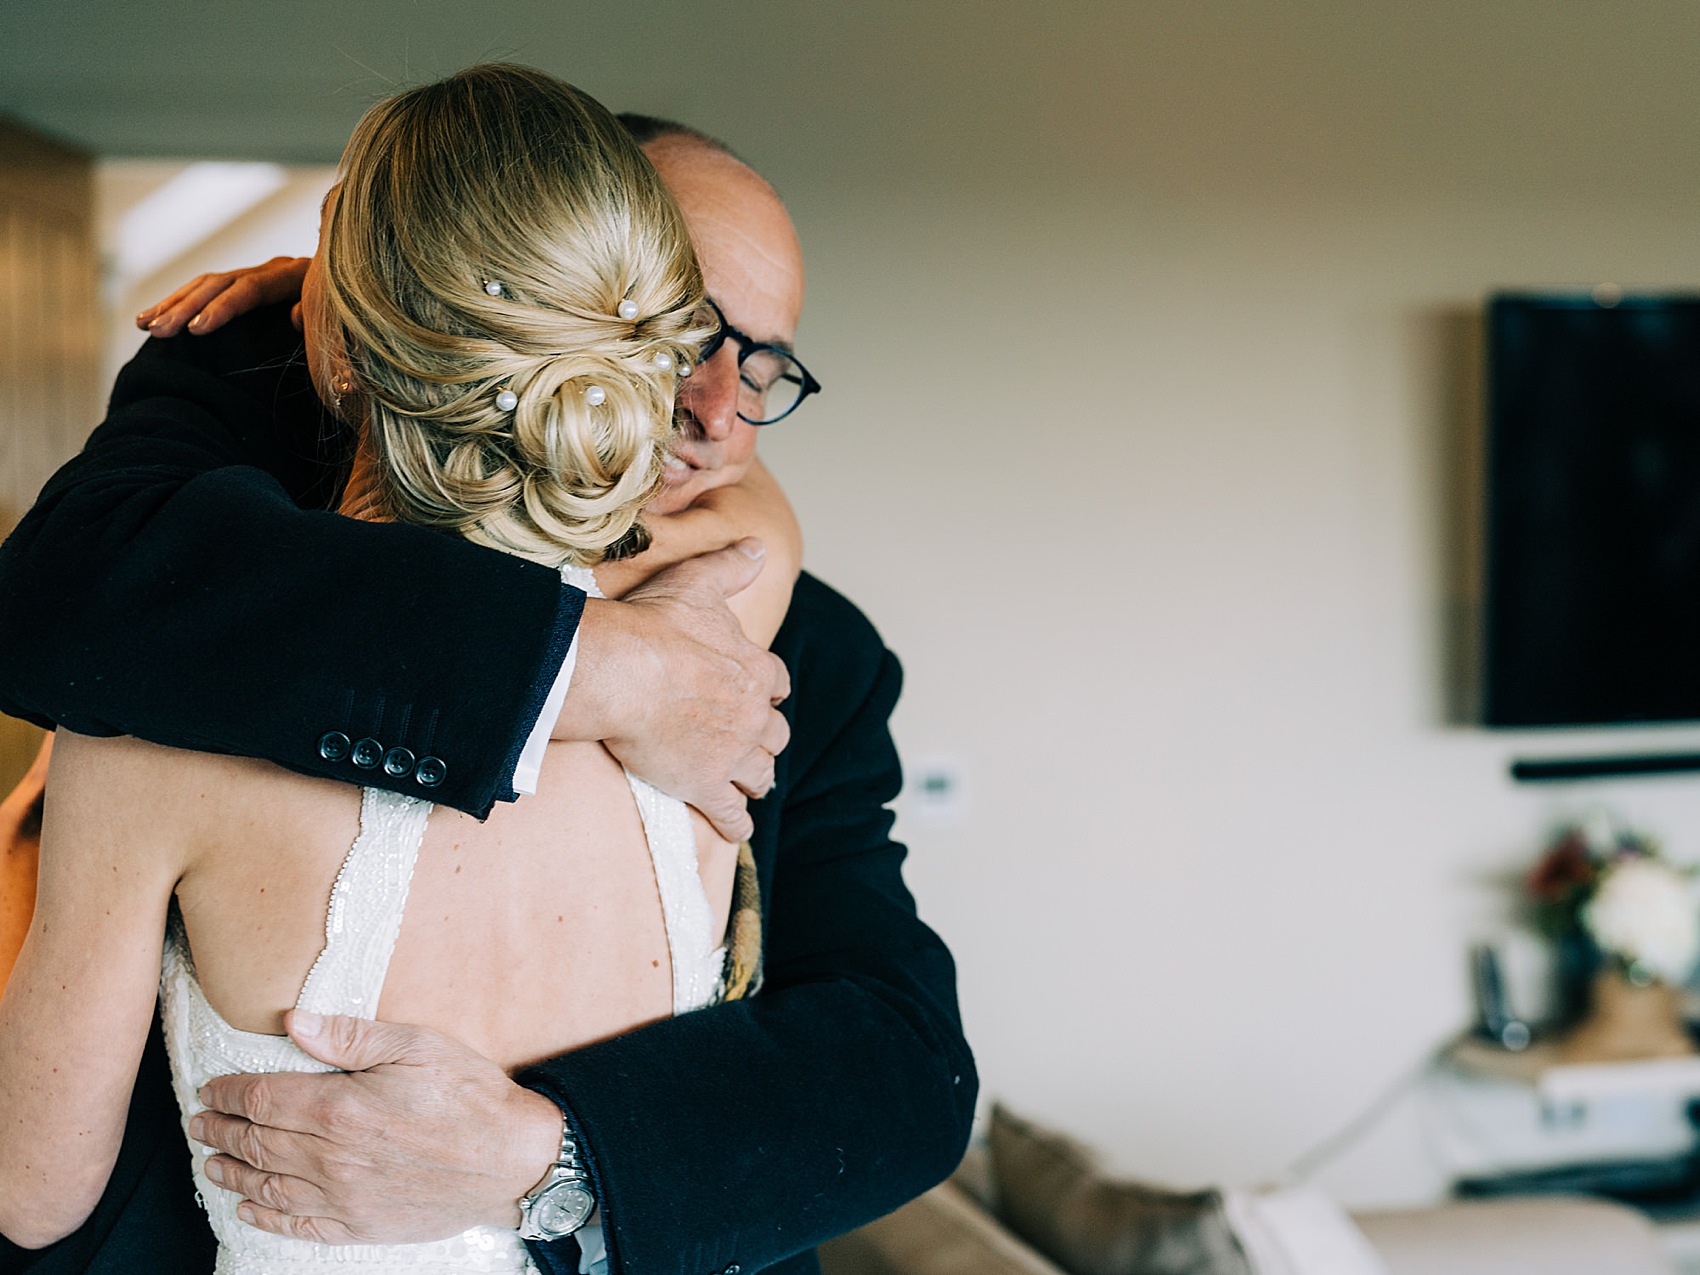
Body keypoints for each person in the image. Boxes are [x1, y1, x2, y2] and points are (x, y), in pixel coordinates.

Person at [0, 107, 975, 1275]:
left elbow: (907, 1069)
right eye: (684, 331)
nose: (718, 415)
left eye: (764, 367)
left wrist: (551, 1160)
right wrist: (597, 668)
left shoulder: (797, 660)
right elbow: (69, 584)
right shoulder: (186, 587)